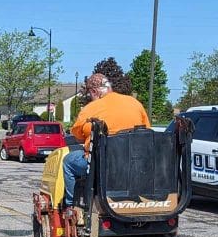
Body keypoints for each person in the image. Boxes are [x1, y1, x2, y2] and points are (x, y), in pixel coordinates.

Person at [62, 74, 151, 210]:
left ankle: (70, 206)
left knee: (68, 162)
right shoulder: (135, 103)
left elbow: (77, 134)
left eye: (90, 94)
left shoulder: (92, 108)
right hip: (133, 162)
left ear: (94, 91)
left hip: (102, 163)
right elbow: (147, 131)